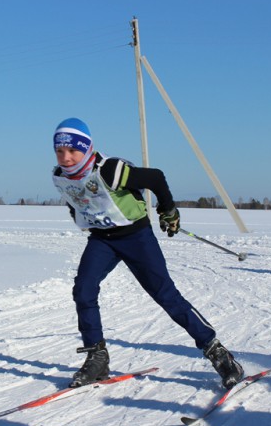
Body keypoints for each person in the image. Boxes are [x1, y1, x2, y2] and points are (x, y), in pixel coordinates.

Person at [51, 117, 244, 389]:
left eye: (73, 151)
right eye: (60, 151)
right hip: (103, 240)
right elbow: (76, 201)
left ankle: (219, 354)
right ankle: (97, 358)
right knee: (83, 289)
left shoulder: (110, 170)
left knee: (166, 295)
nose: (66, 158)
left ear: (88, 148)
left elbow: (156, 177)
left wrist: (168, 210)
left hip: (135, 237)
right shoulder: (60, 176)